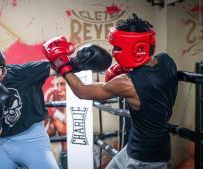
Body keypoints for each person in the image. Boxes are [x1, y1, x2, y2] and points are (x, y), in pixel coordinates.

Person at [43, 13, 178, 169]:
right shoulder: (167, 61)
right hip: (135, 148)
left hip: (146, 159)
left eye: (118, 48)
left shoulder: (128, 83)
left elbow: (83, 91)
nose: (114, 52)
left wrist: (62, 65)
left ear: (137, 48)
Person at [0, 34, 111, 169]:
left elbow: (61, 67)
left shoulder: (24, 72)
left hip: (34, 141)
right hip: (4, 146)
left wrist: (82, 62)